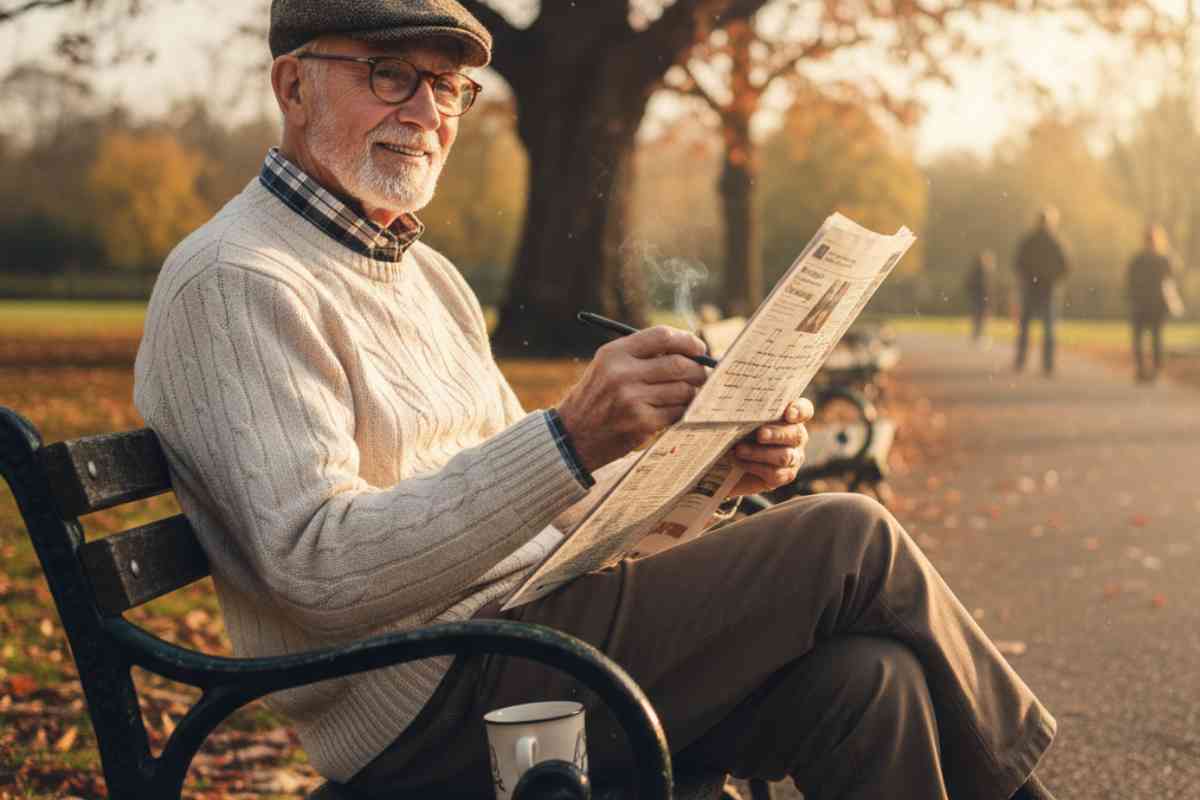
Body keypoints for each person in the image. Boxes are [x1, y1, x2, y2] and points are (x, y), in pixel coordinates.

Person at [133, 1, 1058, 798]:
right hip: (425, 697)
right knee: (850, 536)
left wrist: (713, 470)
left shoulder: (427, 278)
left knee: (868, 684)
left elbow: (534, 509)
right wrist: (569, 437)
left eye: (449, 87)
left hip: (532, 634)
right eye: (389, 74)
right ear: (293, 87)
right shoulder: (234, 280)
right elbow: (314, 570)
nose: (426, 111)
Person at [1012, 207, 1069, 375]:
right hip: (1046, 290)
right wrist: (1052, 278)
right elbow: (1065, 266)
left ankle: (1022, 361)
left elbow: (1018, 263)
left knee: (1027, 328)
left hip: (1033, 288)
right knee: (1047, 329)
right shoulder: (1055, 242)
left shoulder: (1030, 241)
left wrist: (1027, 277)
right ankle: (1047, 365)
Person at [1125, 223, 1178, 383]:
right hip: (1153, 305)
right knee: (1154, 338)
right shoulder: (1163, 259)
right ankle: (1152, 369)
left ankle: (1144, 369)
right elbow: (1170, 282)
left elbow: (1130, 282)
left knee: (1142, 338)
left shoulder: (1138, 259)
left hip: (1143, 304)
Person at [965, 249, 996, 343]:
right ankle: (977, 336)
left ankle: (977, 335)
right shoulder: (980, 271)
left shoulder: (980, 270)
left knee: (979, 317)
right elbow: (982, 286)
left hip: (979, 297)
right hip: (980, 297)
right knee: (979, 317)